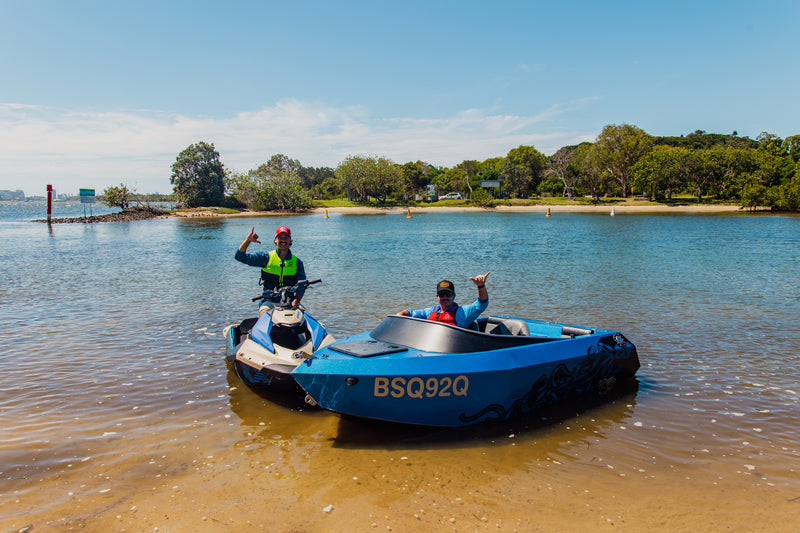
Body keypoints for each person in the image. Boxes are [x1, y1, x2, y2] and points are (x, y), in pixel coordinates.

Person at [235, 226, 307, 315]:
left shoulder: (297, 262)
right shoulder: (265, 258)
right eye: (280, 238)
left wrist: (296, 300)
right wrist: (248, 240)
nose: (283, 240)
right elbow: (240, 257)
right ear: (275, 240)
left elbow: (302, 285)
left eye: (286, 238)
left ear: (290, 240)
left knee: (306, 316)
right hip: (269, 302)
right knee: (265, 316)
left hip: (291, 301)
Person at [398, 272, 490, 328]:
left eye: (448, 294)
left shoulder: (463, 313)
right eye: (442, 294)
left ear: (454, 296)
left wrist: (480, 286)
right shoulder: (431, 311)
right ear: (437, 296)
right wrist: (400, 315)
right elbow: (409, 313)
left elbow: (481, 304)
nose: (445, 297)